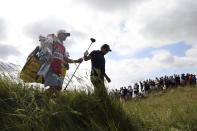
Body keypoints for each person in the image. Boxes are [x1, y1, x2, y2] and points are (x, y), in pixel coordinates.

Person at [44, 29, 83, 97]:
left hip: (59, 69)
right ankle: (60, 103)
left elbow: (66, 59)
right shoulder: (53, 40)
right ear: (59, 34)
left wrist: (76, 61)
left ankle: (43, 100)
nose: (66, 36)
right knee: (54, 87)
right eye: (65, 34)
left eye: (66, 35)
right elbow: (46, 46)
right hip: (51, 67)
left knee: (58, 88)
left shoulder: (63, 47)